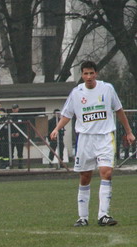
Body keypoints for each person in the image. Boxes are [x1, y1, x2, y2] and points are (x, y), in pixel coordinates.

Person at [50, 60, 135, 227]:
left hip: (105, 137)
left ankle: (103, 215)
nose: (88, 77)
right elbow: (67, 114)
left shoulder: (107, 89)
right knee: (85, 176)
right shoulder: (76, 93)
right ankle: (83, 217)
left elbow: (118, 110)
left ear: (96, 74)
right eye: (85, 73)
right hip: (85, 138)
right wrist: (56, 128)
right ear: (81, 75)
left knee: (106, 172)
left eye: (91, 73)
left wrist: (129, 131)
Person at [9, 104, 26, 168]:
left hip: (20, 137)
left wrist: (19, 133)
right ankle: (11, 165)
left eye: (15, 108)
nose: (14, 109)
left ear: (18, 109)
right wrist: (11, 134)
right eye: (13, 108)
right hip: (12, 137)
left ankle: (20, 165)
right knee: (11, 151)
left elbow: (24, 127)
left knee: (20, 152)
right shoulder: (10, 117)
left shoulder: (21, 117)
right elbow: (8, 127)